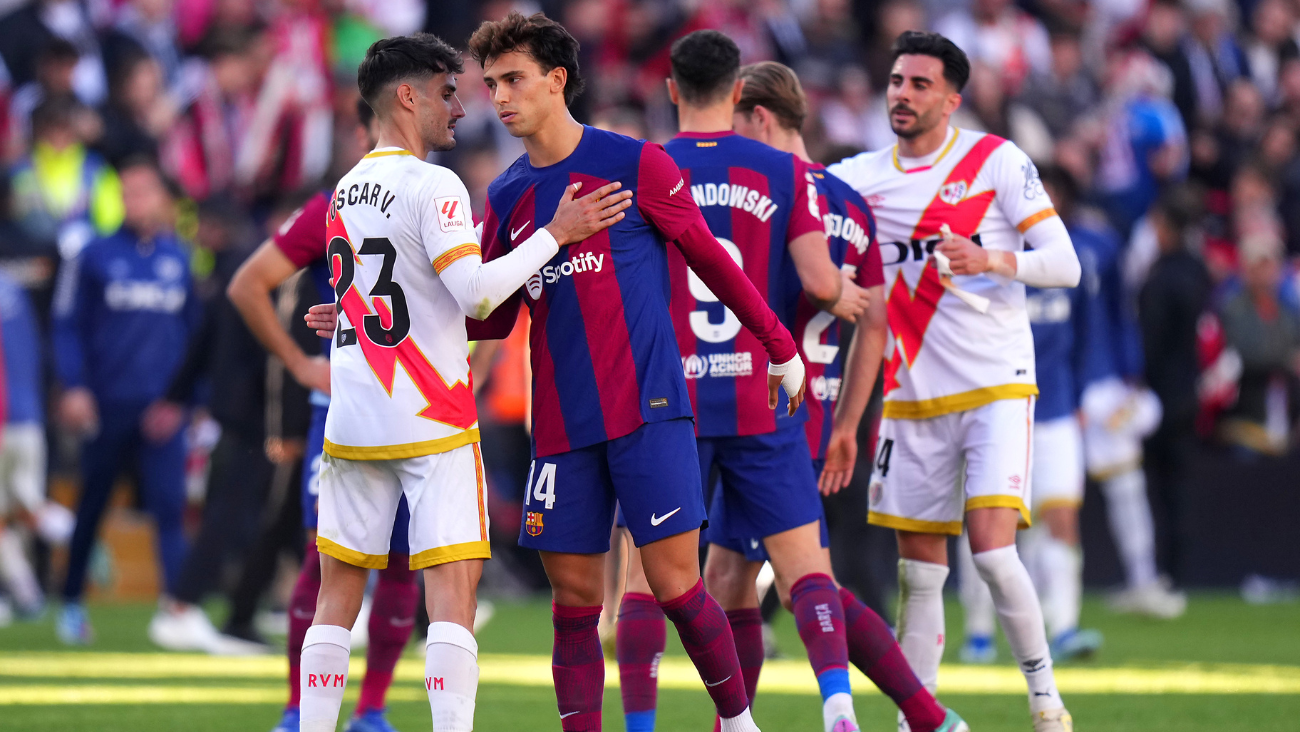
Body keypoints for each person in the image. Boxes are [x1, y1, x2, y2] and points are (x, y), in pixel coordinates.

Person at [467, 12, 804, 732]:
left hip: (649, 410)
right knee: (574, 606)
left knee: (680, 588)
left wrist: (780, 345)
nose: (499, 95)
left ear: (557, 81)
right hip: (560, 425)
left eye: (514, 79)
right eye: (491, 82)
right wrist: (375, 327)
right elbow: (486, 315)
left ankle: (740, 726)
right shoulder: (505, 197)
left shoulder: (636, 164)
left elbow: (713, 260)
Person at [615, 52, 966, 732]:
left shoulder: (647, 167)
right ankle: (875, 710)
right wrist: (849, 415)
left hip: (679, 402)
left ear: (672, 89)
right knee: (776, 574)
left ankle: (684, 723)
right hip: (784, 406)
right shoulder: (825, 192)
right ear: (736, 91)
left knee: (662, 578)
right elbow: (856, 312)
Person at [294, 32, 634, 732]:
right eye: (448, 93)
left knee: (336, 597)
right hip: (431, 413)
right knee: (452, 596)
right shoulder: (435, 184)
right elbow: (477, 295)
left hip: (355, 412)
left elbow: (389, 291)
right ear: (408, 96)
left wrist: (348, 311)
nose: (462, 106)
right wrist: (556, 234)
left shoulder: (344, 189)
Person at [828, 31, 1080, 732]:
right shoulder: (860, 178)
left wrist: (993, 259)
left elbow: (1065, 265)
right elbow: (801, 197)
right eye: (896, 81)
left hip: (997, 383)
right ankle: (923, 717)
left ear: (951, 98)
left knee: (994, 551)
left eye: (918, 84)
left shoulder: (996, 161)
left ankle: (1045, 699)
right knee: (919, 573)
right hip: (910, 398)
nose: (901, 94)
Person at [227, 98, 426, 732]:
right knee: (327, 558)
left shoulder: (440, 198)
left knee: (401, 563)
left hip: (415, 411)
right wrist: (300, 362)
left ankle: (371, 711)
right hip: (340, 408)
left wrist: (460, 375)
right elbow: (248, 283)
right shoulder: (334, 204)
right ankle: (299, 708)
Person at [957, 165, 1106, 665]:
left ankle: (1064, 626)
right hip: (997, 405)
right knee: (990, 522)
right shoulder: (983, 259)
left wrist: (1086, 396)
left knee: (1061, 516)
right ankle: (979, 630)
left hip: (1058, 408)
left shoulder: (1073, 263)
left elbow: (1089, 338)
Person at [52, 157, 199, 646]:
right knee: (93, 502)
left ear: (161, 198)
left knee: (169, 506)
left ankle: (175, 606)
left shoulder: (179, 258)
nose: (137, 201)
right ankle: (71, 602)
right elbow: (66, 325)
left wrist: (186, 401)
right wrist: (73, 386)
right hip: (107, 403)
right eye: (128, 192)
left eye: (145, 192)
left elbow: (194, 334)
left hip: (162, 409)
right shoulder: (91, 255)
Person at [1138, 185, 1212, 586]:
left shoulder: (1163, 276)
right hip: (1191, 387)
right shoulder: (1198, 270)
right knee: (1177, 487)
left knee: (1162, 488)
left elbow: (1151, 339)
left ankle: (1163, 572)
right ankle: (1173, 571)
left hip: (1162, 393)